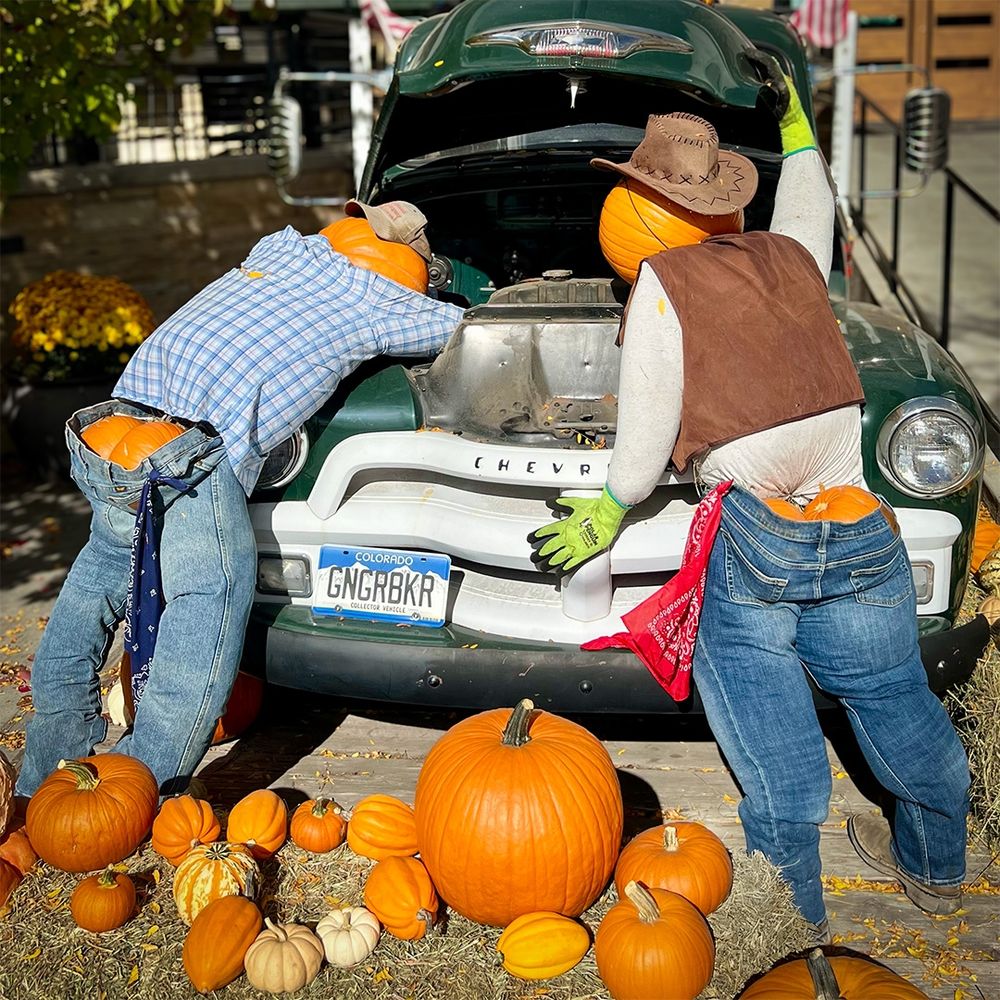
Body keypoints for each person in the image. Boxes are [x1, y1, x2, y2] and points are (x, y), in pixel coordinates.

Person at [529, 82, 970, 936]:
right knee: (893, 694)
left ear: (640, 208)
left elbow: (650, 425)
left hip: (761, 531)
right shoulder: (790, 253)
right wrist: (797, 129)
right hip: (857, 524)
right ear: (725, 203)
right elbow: (810, 199)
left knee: (775, 740)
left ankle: (793, 927)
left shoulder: (660, 281)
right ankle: (938, 866)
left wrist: (611, 510)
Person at [16, 200, 466, 798]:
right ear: (404, 267)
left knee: (97, 580)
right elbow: (461, 332)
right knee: (208, 604)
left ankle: (46, 765)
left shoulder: (278, 250)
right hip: (186, 456)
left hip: (113, 425)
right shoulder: (379, 298)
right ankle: (141, 783)